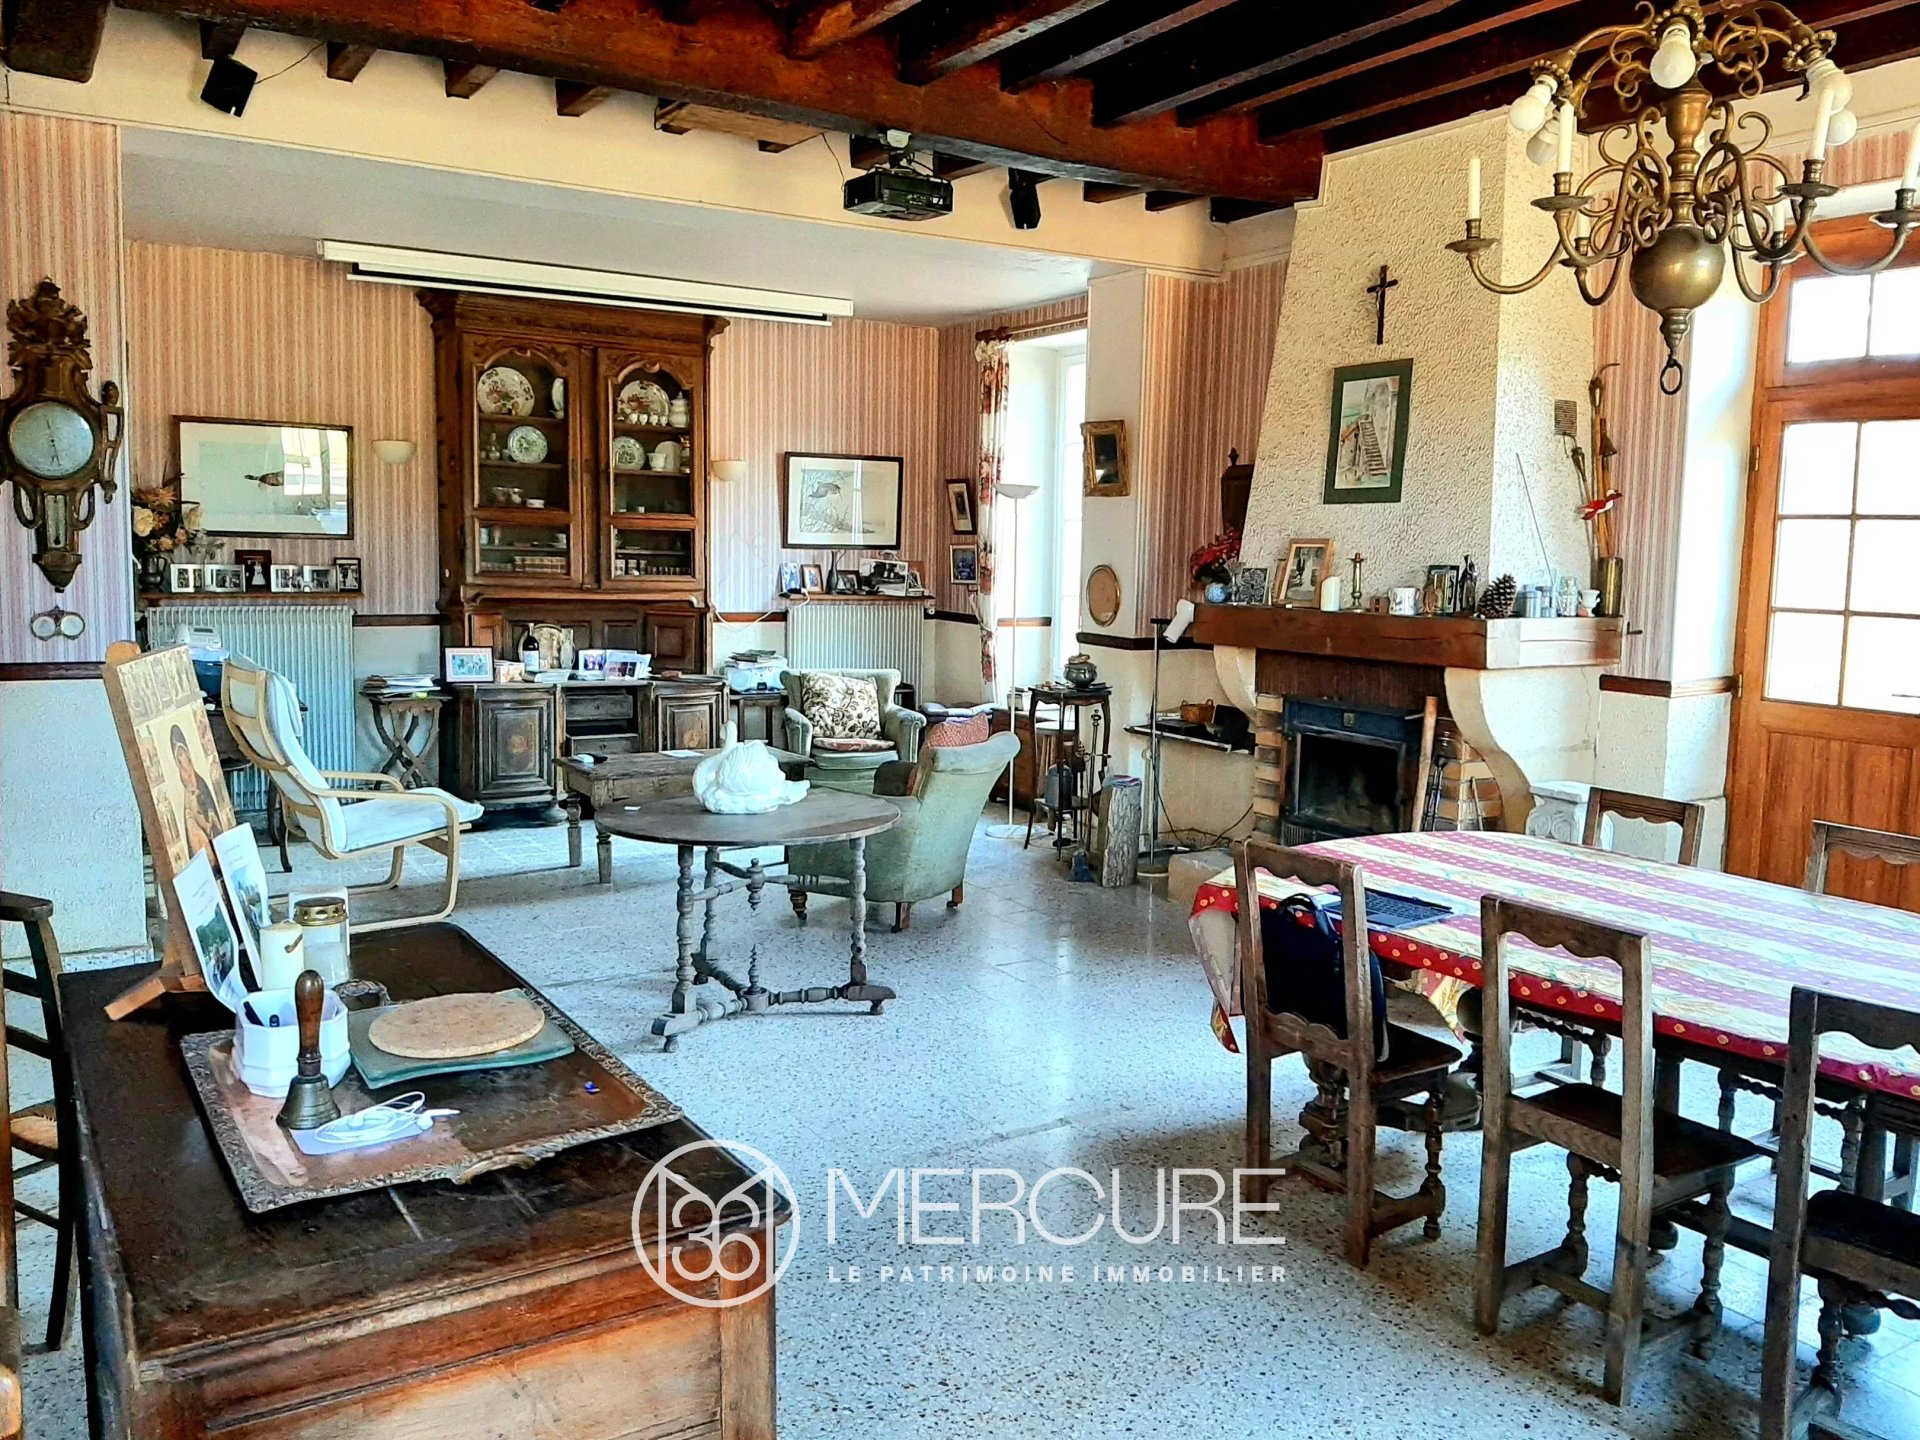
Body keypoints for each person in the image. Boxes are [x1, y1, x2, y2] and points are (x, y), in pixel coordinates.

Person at [170, 722, 222, 857]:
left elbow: (208, 802)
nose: (181, 758)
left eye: (183, 753)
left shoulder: (199, 780)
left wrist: (209, 817)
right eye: (179, 755)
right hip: (194, 818)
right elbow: (190, 809)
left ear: (187, 753)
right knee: (197, 841)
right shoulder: (183, 777)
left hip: (203, 817)